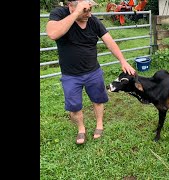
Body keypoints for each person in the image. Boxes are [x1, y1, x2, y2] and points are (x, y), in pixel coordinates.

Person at [46, 0, 136, 145]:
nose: (89, 14)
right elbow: (52, 33)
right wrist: (76, 14)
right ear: (71, 7)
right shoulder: (59, 14)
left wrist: (123, 61)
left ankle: (99, 124)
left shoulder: (93, 21)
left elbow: (109, 41)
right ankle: (81, 129)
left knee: (98, 100)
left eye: (90, 9)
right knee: (74, 107)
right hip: (70, 75)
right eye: (85, 10)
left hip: (93, 72)